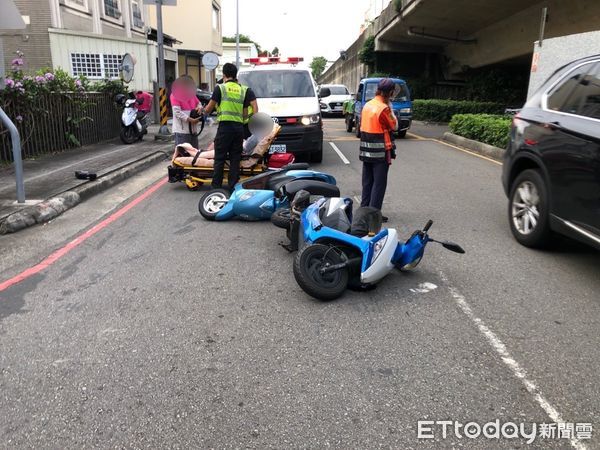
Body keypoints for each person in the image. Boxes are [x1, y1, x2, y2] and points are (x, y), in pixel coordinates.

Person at [203, 63, 257, 190]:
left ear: (224, 75)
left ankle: (216, 187)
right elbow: (250, 109)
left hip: (225, 128)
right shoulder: (244, 90)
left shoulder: (220, 88)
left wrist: (202, 111)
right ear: (235, 75)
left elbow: (209, 108)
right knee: (235, 158)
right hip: (238, 129)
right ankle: (233, 186)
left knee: (220, 157)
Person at [359, 78, 398, 222]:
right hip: (381, 151)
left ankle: (364, 211)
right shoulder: (384, 108)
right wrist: (391, 108)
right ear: (391, 92)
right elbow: (394, 125)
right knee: (379, 184)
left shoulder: (368, 105)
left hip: (366, 150)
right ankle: (374, 215)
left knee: (367, 182)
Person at [170, 75, 203, 148]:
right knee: (182, 155)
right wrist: (190, 119)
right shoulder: (175, 94)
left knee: (194, 153)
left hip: (193, 130)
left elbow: (199, 103)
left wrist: (199, 108)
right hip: (182, 131)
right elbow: (177, 112)